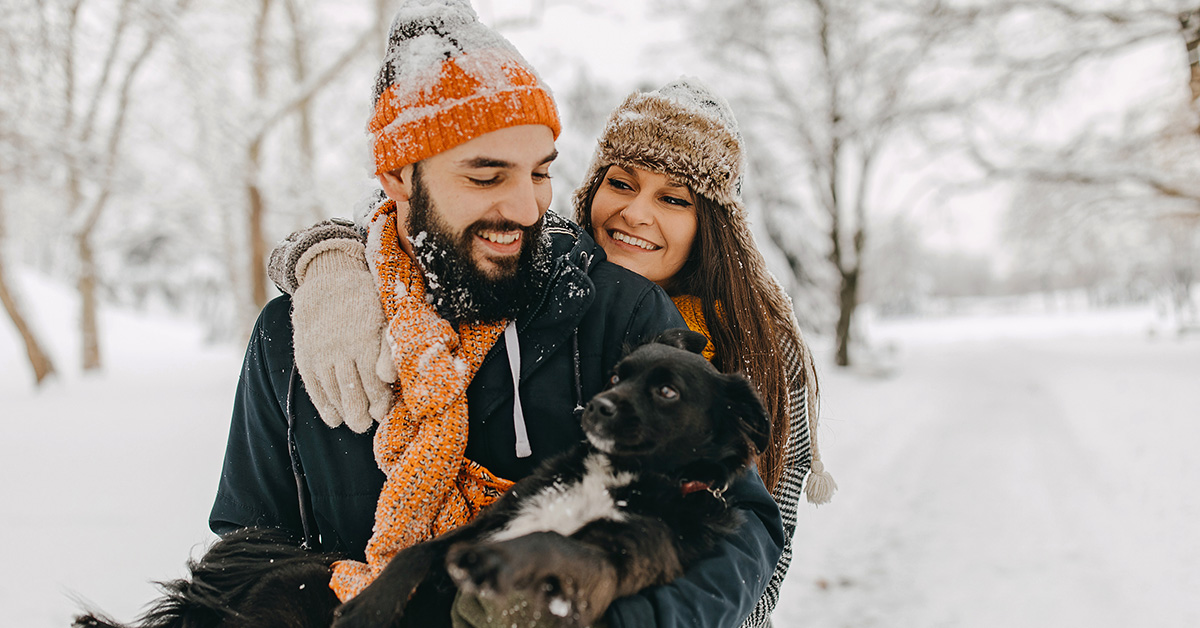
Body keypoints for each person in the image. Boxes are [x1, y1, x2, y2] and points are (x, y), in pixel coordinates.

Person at [209, 1, 784, 627]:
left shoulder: (618, 313)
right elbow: (244, 553)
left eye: (539, 173)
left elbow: (736, 525)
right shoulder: (294, 336)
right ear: (399, 178)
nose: (527, 207)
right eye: (487, 177)